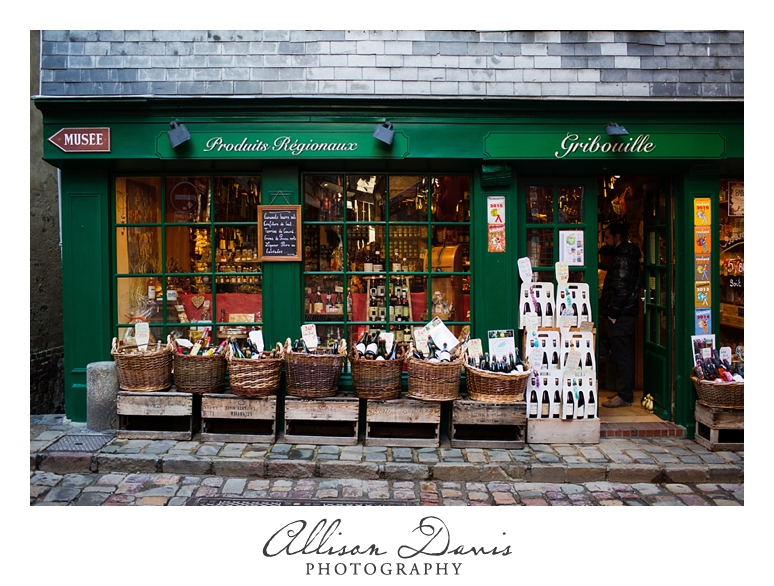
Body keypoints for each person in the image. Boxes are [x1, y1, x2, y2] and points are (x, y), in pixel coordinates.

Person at [599, 221, 642, 408]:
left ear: (617, 237)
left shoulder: (623, 258)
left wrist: (612, 314)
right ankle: (622, 392)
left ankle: (624, 395)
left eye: (607, 237)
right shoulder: (624, 255)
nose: (605, 241)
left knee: (621, 354)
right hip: (625, 312)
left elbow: (621, 290)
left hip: (622, 314)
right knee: (620, 352)